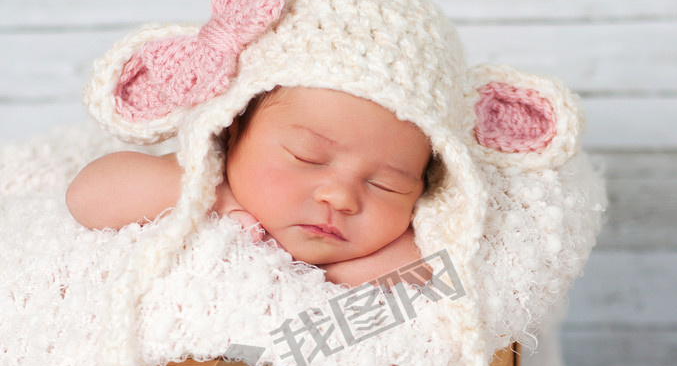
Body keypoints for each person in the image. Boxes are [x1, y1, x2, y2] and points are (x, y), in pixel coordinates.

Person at [66, 85, 433, 287]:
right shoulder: (206, 175)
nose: (340, 197)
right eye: (307, 157)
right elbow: (87, 196)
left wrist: (329, 277)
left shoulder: (413, 239)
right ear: (233, 130)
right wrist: (212, 196)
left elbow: (447, 267)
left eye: (385, 185)